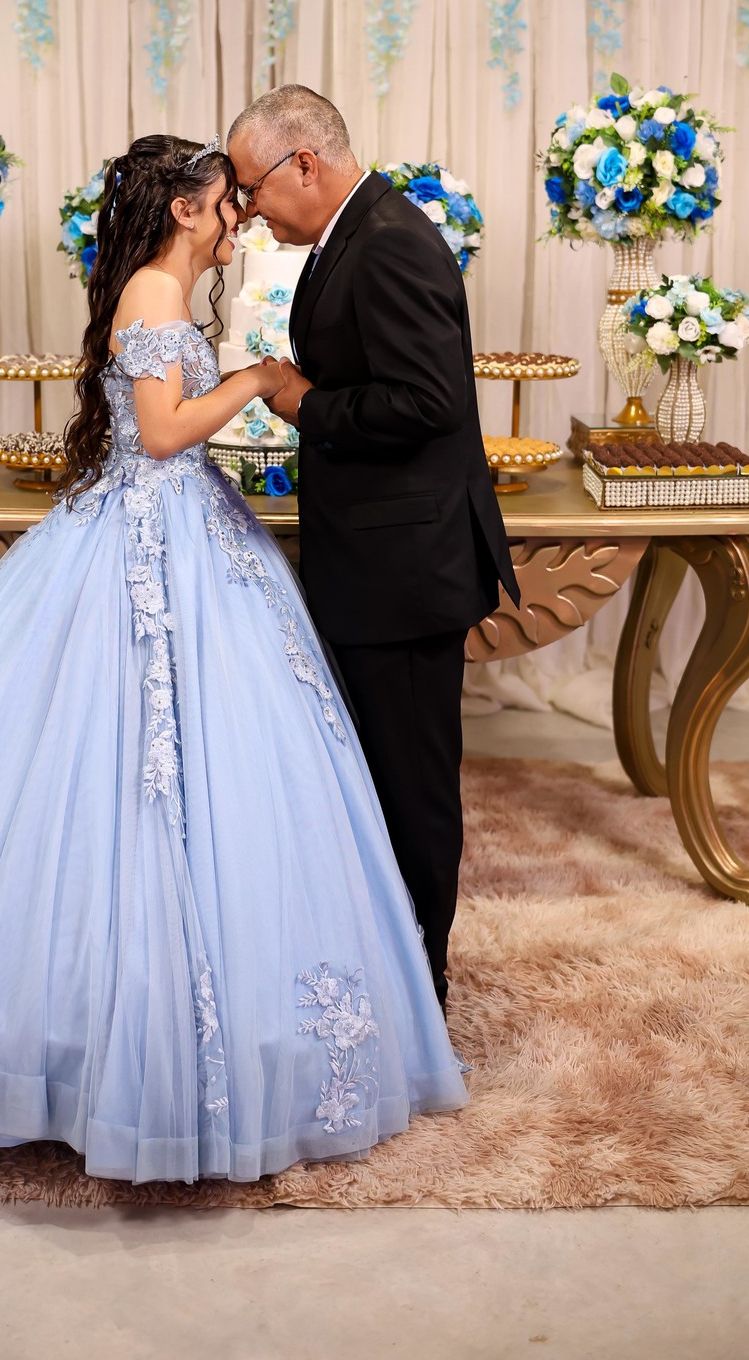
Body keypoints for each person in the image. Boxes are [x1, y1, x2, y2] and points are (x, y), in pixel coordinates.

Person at [0, 132, 467, 1185]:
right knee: (108, 772)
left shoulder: (166, 291)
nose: (238, 219)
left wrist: (257, 384)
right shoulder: (152, 292)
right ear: (183, 210)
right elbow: (165, 432)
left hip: (188, 532)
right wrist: (255, 380)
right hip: (149, 536)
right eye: (226, 202)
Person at [227, 87, 518, 1014]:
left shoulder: (388, 241)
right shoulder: (349, 233)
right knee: (379, 778)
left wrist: (302, 402)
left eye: (253, 187)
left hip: (406, 571)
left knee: (413, 785)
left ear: (304, 163)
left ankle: (423, 988)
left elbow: (429, 402)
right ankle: (390, 965)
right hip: (380, 560)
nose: (250, 210)